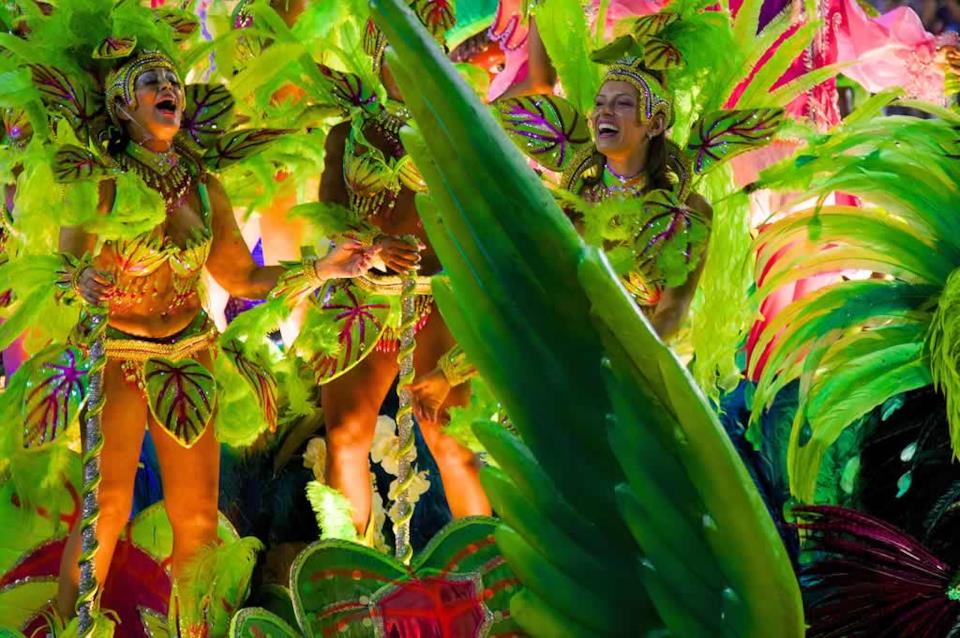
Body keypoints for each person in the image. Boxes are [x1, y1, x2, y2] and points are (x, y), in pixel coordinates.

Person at [51, 49, 374, 626]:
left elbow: (241, 277)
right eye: (152, 81)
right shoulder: (102, 182)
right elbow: (64, 267)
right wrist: (83, 278)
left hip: (190, 353)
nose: (169, 88)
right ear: (123, 105)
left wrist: (325, 268)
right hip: (120, 355)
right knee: (108, 507)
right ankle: (71, 623)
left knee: (198, 520)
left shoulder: (201, 183)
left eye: (174, 80)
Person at [314, 3, 492, 539]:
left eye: (430, 50)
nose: (417, 61)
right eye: (403, 49)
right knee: (346, 433)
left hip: (434, 298)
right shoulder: (347, 134)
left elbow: (476, 219)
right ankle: (350, 565)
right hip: (361, 295)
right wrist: (371, 245)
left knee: (447, 437)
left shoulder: (459, 132)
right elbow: (329, 212)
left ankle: (484, 570)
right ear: (377, 53)